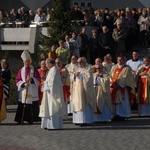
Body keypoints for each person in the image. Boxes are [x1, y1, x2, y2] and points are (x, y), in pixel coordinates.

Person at [14, 50, 41, 125]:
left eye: (28, 61)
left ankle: (31, 119)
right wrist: (23, 84)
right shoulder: (21, 70)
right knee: (23, 104)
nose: (27, 63)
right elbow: (17, 80)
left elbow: (38, 79)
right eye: (26, 61)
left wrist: (32, 79)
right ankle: (21, 119)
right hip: (24, 90)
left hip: (32, 90)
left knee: (31, 104)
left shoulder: (34, 69)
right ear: (23, 61)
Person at [39, 58, 65, 130]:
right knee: (48, 108)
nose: (46, 65)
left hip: (53, 94)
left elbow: (52, 83)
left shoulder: (54, 70)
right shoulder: (52, 70)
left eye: (46, 64)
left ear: (50, 64)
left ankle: (53, 125)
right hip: (49, 93)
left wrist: (45, 82)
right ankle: (48, 125)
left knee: (52, 108)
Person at [71, 57, 96, 126]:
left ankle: (84, 120)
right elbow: (71, 78)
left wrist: (80, 75)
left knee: (84, 104)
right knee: (76, 103)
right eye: (78, 62)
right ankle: (77, 120)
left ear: (84, 62)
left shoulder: (88, 68)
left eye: (81, 62)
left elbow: (89, 78)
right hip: (76, 90)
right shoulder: (76, 69)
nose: (79, 63)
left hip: (84, 90)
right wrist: (74, 75)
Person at [110, 56, 135, 121]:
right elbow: (110, 75)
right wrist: (112, 83)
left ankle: (123, 114)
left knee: (123, 101)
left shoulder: (127, 68)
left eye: (121, 60)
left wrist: (120, 85)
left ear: (124, 61)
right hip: (114, 87)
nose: (120, 61)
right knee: (115, 101)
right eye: (118, 60)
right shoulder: (114, 67)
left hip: (122, 88)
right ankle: (116, 114)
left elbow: (127, 78)